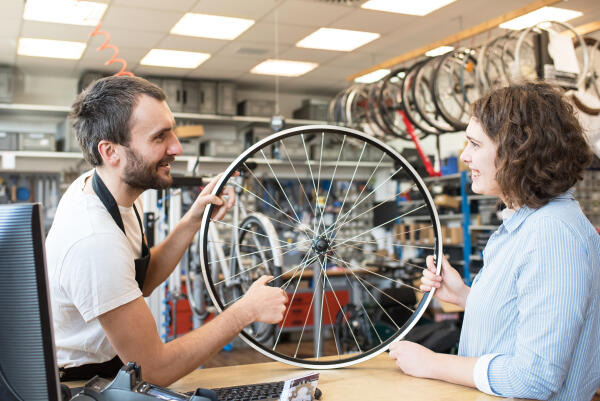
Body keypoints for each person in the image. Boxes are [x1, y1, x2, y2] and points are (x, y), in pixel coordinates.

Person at [46, 76, 288, 386]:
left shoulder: (103, 189)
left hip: (104, 374)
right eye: (160, 137)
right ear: (110, 152)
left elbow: (140, 280)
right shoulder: (95, 239)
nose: (177, 146)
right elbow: (155, 369)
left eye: (171, 131)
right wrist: (244, 311)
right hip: (78, 386)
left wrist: (192, 220)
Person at [389, 82, 600, 401]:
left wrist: (432, 363)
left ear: (518, 150)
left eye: (475, 144)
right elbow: (526, 319)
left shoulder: (552, 234)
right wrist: (465, 297)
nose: (464, 156)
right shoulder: (520, 226)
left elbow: (536, 378)